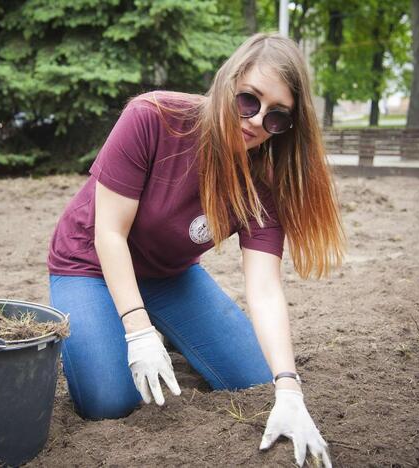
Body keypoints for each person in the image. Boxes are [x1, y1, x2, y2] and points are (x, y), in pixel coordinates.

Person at [47, 33, 344, 468]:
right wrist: (136, 329)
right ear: (228, 81)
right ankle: (111, 325)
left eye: (276, 117)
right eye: (249, 100)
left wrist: (289, 389)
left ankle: (163, 327)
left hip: (168, 275)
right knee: (109, 401)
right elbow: (109, 233)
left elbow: (264, 288)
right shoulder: (153, 117)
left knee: (253, 379)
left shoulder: (264, 177)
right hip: (90, 263)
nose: (256, 121)